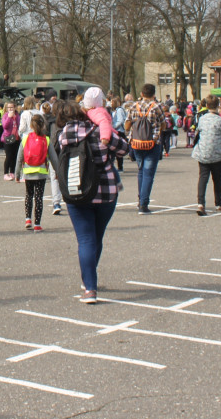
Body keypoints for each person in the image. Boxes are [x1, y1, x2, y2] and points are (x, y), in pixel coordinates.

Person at [58, 99, 130, 304]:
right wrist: (106, 126)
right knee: (97, 236)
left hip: (76, 187)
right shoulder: (100, 130)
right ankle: (88, 280)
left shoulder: (66, 133)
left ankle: (90, 287)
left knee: (85, 239)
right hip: (106, 189)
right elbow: (125, 150)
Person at [125, 84, 167, 214]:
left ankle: (140, 199)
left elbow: (126, 126)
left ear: (141, 94)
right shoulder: (156, 106)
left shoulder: (133, 106)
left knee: (141, 171)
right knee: (148, 173)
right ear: (154, 94)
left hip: (137, 143)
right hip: (152, 143)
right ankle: (143, 204)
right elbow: (164, 125)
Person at [191, 95, 221, 216]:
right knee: (217, 179)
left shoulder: (202, 119)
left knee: (203, 177)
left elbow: (198, 131)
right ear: (218, 106)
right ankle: (218, 204)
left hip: (203, 152)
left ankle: (200, 203)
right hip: (216, 153)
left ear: (206, 105)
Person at [15, 113, 49, 232]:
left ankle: (28, 219)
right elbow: (54, 159)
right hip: (41, 172)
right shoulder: (46, 139)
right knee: (39, 197)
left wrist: (17, 174)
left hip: (28, 172)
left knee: (29, 195)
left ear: (31, 125)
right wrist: (58, 174)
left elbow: (19, 158)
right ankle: (37, 224)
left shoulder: (25, 139)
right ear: (43, 125)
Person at [0, 101, 21, 181]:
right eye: (9, 107)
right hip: (8, 138)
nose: (10, 109)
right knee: (8, 156)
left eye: (12, 107)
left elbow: (19, 125)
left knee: (14, 156)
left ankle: (12, 172)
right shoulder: (5, 115)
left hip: (16, 138)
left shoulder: (17, 116)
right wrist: (9, 117)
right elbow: (5, 126)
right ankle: (5, 173)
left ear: (15, 107)